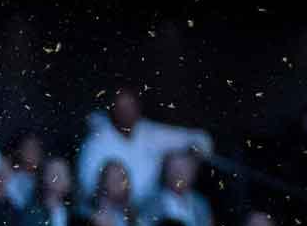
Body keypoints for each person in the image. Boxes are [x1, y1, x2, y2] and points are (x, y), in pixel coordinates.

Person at [77, 87, 214, 205]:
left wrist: (193, 150)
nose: (126, 112)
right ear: (112, 109)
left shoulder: (149, 133)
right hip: (109, 208)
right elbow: (87, 187)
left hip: (147, 211)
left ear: (138, 109)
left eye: (130, 107)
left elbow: (199, 139)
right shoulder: (96, 141)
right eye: (121, 107)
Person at [141, 151, 214, 226]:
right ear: (165, 172)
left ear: (193, 173)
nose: (179, 174)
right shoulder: (152, 204)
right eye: (174, 169)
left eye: (184, 169)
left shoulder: (200, 205)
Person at [90, 160, 149, 226]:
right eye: (112, 179)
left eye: (120, 179)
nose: (116, 183)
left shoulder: (137, 216)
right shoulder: (93, 215)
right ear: (103, 182)